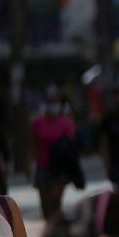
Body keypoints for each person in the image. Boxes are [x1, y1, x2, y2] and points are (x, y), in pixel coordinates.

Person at [30, 86, 77, 220]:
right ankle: (50, 229)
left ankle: (57, 231)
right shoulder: (37, 122)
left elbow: (72, 147)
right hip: (42, 166)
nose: (52, 105)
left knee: (55, 202)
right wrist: (30, 165)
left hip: (60, 169)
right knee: (46, 206)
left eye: (55, 101)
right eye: (50, 101)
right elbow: (33, 144)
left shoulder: (66, 123)